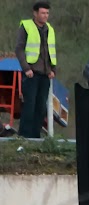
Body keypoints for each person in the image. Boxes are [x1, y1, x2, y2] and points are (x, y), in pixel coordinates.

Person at [15, 1, 57, 139]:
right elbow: (19, 49)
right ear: (35, 13)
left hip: (45, 74)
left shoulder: (49, 29)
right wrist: (26, 68)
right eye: (43, 13)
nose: (46, 16)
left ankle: (35, 136)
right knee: (29, 106)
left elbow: (51, 50)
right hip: (31, 73)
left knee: (40, 108)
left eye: (47, 13)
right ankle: (25, 136)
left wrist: (53, 69)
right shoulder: (26, 27)